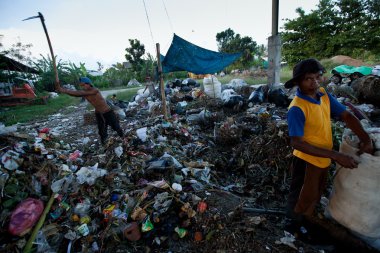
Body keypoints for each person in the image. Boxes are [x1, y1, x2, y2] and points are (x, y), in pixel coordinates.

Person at [284, 59, 373, 241]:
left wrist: (365, 139)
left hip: (323, 157)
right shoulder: (297, 108)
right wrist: (336, 155)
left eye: (317, 77)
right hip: (306, 160)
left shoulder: (323, 95)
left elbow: (347, 115)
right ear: (298, 82)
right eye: (309, 79)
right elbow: (297, 143)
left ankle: (306, 222)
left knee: (315, 192)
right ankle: (293, 227)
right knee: (301, 195)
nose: (315, 83)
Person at [57, 77, 124, 144]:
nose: (82, 87)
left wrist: (64, 90)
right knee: (102, 131)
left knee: (116, 127)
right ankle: (104, 144)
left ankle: (124, 139)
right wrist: (63, 90)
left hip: (107, 112)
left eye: (83, 85)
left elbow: (78, 93)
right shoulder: (85, 92)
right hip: (99, 114)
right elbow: (75, 94)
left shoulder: (94, 90)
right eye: (81, 86)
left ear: (88, 84)